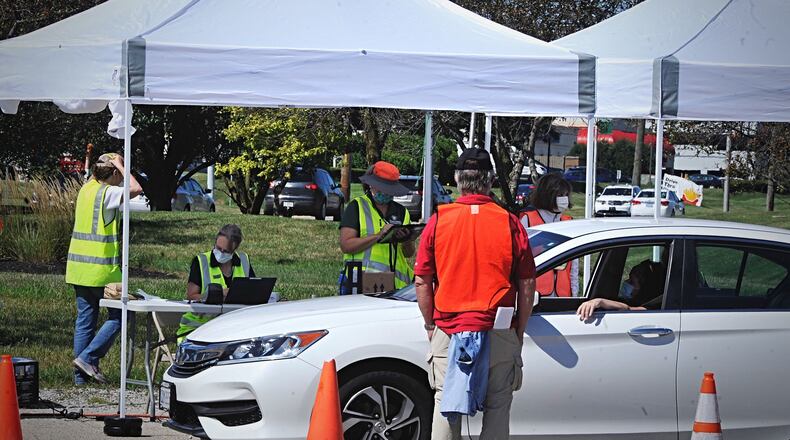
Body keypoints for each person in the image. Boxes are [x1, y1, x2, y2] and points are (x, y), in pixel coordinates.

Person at [415, 148, 536, 439]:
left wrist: (431, 324)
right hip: (498, 326)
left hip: (450, 325)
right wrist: (520, 328)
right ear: (490, 180)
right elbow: (527, 283)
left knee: (447, 405)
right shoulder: (509, 222)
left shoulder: (439, 220)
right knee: (497, 407)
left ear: (458, 180)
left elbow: (422, 280)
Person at [66, 152, 143, 385]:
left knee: (85, 321)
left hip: (79, 269)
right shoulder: (108, 193)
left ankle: (80, 378)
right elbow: (137, 189)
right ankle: (89, 358)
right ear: (113, 173)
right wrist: (121, 163)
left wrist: (109, 161)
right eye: (119, 173)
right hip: (102, 271)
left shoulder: (86, 189)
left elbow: (96, 173)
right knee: (122, 314)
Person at [338, 161, 415, 294]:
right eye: (382, 188)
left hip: (396, 285)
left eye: (389, 190)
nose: (385, 193)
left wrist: (407, 239)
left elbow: (408, 253)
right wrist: (379, 236)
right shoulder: (357, 207)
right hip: (361, 281)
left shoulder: (402, 212)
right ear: (371, 185)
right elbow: (346, 246)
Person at [176, 224, 255, 343]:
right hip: (197, 330)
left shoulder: (243, 260)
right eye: (218, 248)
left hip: (234, 329)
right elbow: (191, 296)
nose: (221, 253)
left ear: (234, 250)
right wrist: (217, 294)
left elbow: (254, 289)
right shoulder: (201, 261)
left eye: (226, 251)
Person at [520, 173, 578, 297]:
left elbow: (574, 265)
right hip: (535, 294)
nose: (564, 199)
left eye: (566, 195)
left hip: (562, 295)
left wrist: (575, 294)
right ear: (548, 195)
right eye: (560, 195)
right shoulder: (527, 220)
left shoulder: (569, 222)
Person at [576, 258, 666, 320]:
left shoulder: (654, 305)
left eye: (632, 281)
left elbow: (629, 310)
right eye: (629, 278)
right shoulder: (631, 300)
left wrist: (599, 301)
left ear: (645, 287)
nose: (626, 282)